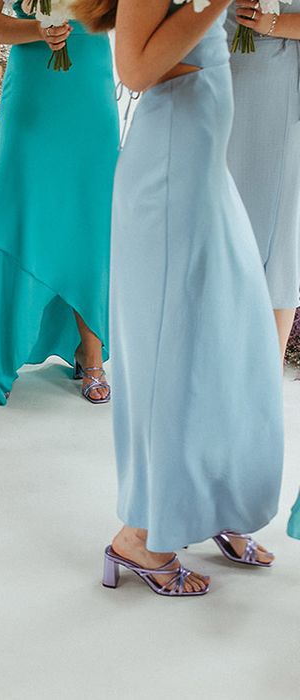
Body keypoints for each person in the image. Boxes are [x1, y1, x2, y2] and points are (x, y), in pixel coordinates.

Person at [75, 0, 284, 596]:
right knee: (177, 350)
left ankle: (217, 502)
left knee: (230, 336)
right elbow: (134, 70)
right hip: (169, 171)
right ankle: (140, 535)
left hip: (202, 162)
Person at [0, 1, 118, 407]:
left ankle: (90, 350)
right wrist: (39, 29)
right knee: (21, 209)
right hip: (33, 95)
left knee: (90, 216)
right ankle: (2, 354)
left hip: (90, 90)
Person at [226, 0, 300, 540]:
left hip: (286, 94)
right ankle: (203, 486)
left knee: (280, 266)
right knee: (224, 265)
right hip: (225, 79)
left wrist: (276, 24)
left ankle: (243, 484)